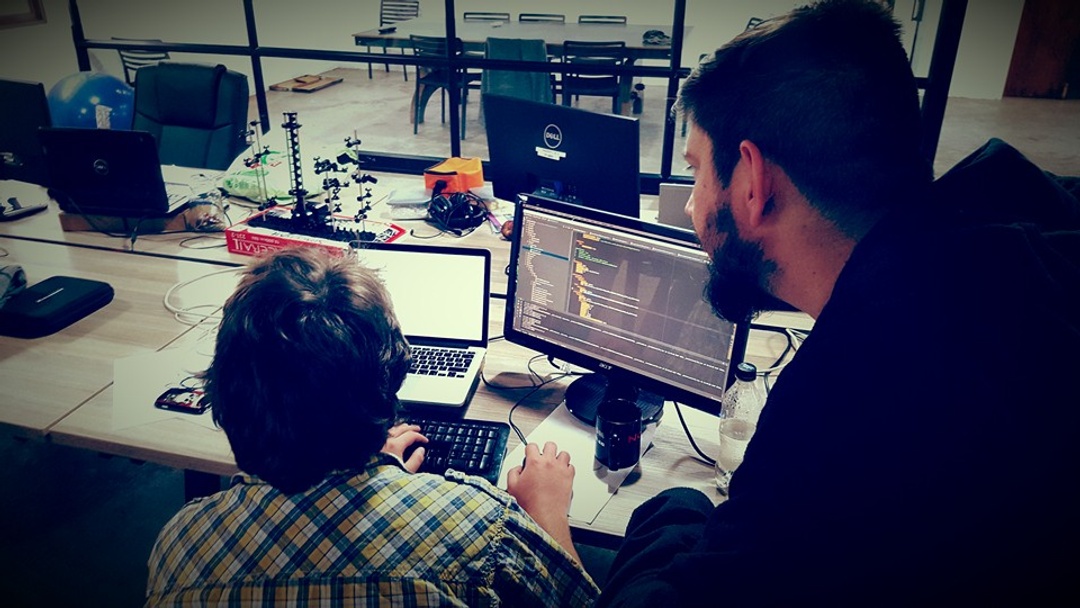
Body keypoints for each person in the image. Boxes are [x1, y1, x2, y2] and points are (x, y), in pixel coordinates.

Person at [597, 1, 1080, 605]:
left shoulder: (850, 398)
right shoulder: (1021, 232)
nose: (692, 206)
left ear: (753, 182)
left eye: (696, 171)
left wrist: (664, 509)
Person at [145, 247, 598, 606]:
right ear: (393, 379)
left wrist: (379, 467)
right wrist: (547, 514)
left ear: (223, 390)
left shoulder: (180, 547)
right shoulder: (481, 529)